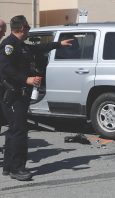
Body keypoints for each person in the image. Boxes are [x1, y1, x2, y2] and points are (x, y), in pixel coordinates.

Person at [0, 15, 72, 181]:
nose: (29, 30)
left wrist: (58, 44)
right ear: (22, 28)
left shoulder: (21, 46)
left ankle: (8, 166)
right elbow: (5, 68)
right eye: (28, 27)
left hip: (21, 95)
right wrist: (26, 79)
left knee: (14, 130)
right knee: (19, 131)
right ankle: (18, 169)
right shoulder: (9, 45)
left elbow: (39, 48)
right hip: (12, 95)